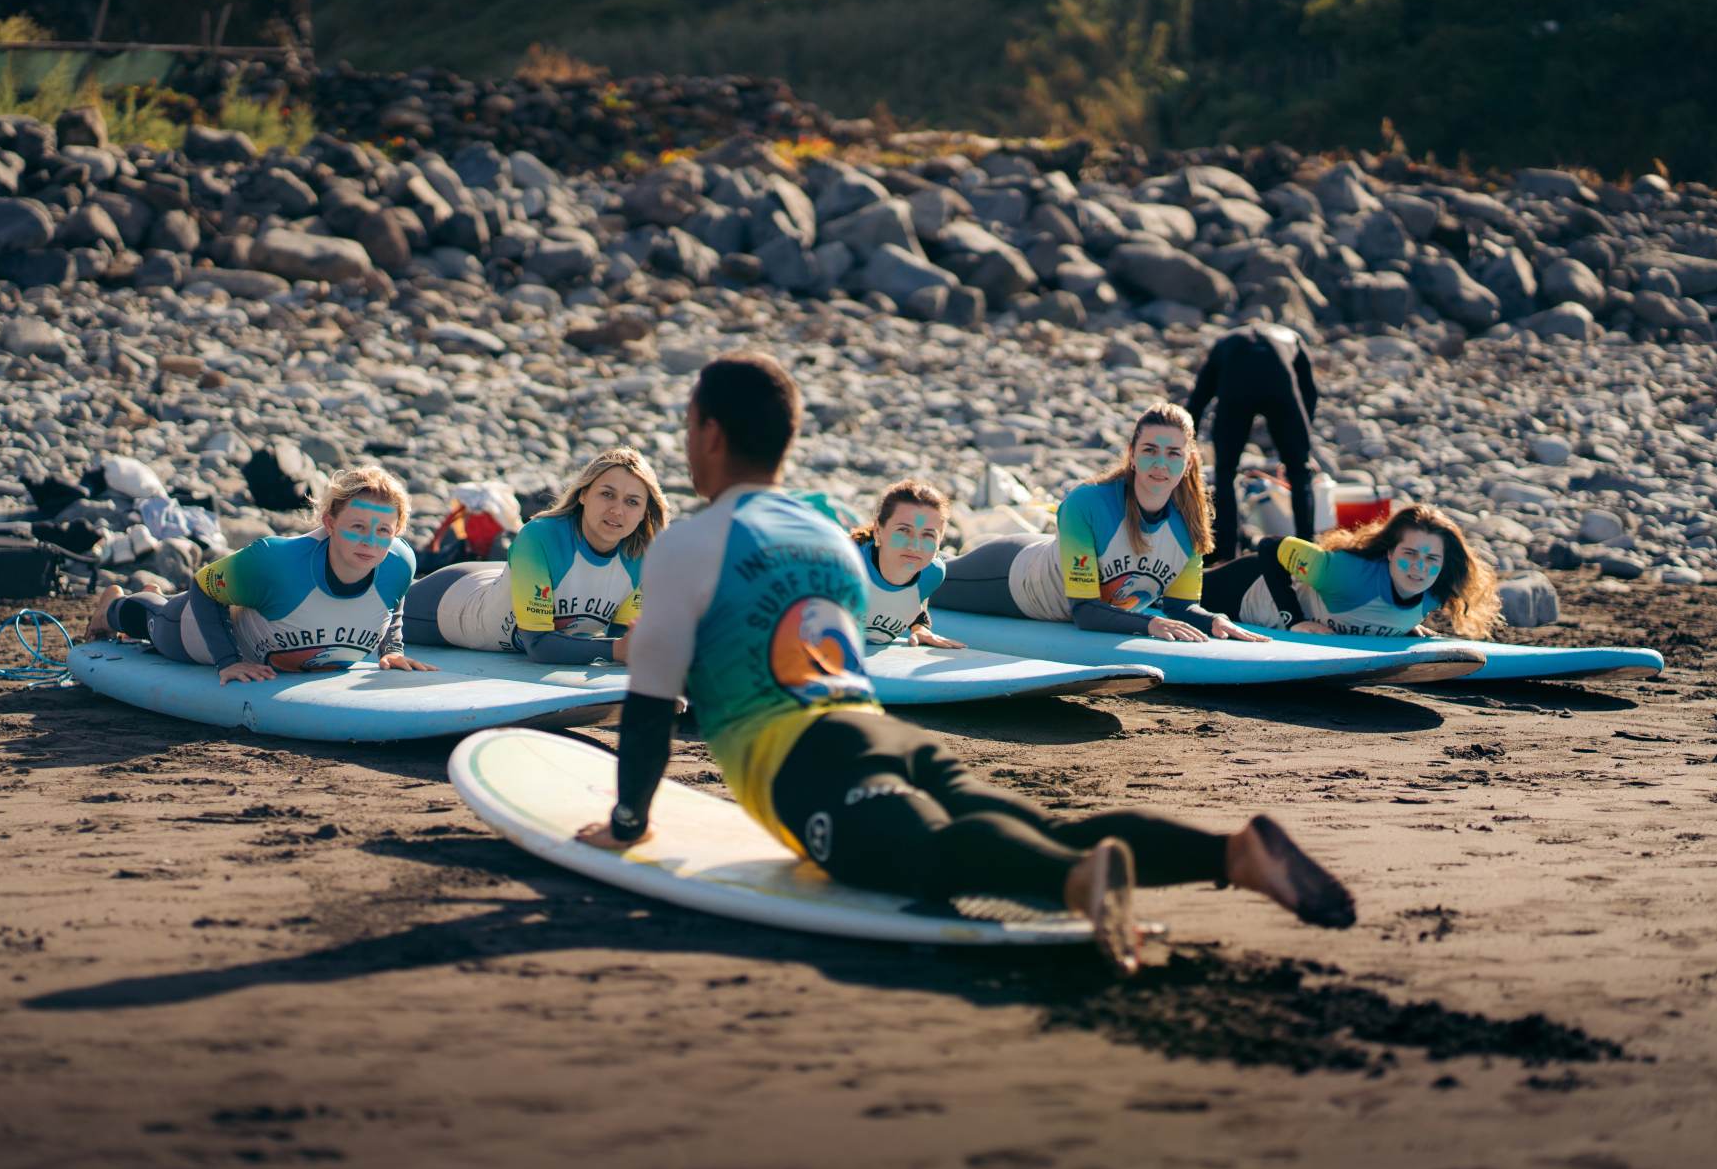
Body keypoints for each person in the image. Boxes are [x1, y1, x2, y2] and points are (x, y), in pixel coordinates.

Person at [577, 353, 1356, 975]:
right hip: (883, 735)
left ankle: (1076, 884)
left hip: (804, 765)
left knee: (922, 855)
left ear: (709, 434)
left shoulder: (689, 543)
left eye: (689, 427)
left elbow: (650, 704)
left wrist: (627, 823)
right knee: (1034, 827)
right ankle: (1229, 853)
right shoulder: (828, 542)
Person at [933, 402, 1268, 644]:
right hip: (1012, 580)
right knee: (926, 578)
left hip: (1043, 571)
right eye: (1150, 450)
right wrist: (1149, 624)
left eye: (1173, 454)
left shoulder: (1191, 520)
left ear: (1189, 461)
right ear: (1132, 454)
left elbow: (1180, 606)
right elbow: (1085, 611)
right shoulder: (1089, 503)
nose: (1160, 464)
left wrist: (1215, 621)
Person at [84, 465, 429, 681]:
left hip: (275, 637)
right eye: (357, 526)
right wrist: (228, 661)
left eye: (383, 530)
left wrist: (391, 648)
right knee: (157, 624)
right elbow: (203, 585)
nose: (370, 541)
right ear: (330, 523)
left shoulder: (399, 562)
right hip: (207, 633)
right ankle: (114, 607)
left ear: (397, 532)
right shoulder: (276, 562)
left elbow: (393, 597)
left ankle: (152, 597)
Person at [403, 447, 666, 665]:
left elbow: (624, 641)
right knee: (383, 618)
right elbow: (539, 645)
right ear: (584, 494)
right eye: (607, 494)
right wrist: (617, 650)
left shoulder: (644, 559)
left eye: (632, 501)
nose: (617, 510)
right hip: (450, 606)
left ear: (645, 511)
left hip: (501, 580)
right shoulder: (540, 536)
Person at [1202, 503, 1501, 638]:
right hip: (1239, 590)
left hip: (1250, 617)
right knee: (1177, 598)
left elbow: (1384, 609)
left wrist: (1401, 626)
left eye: (1432, 558)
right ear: (1389, 553)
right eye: (1409, 554)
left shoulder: (1436, 590)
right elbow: (1270, 546)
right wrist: (1294, 620)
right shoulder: (1347, 574)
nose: (1419, 568)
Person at [1185, 324, 1320, 562]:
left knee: (1225, 472)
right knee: (1299, 472)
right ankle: (1308, 551)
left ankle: (1228, 553)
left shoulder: (1224, 343)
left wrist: (1184, 442)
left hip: (1236, 386)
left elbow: (1199, 399)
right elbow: (1309, 392)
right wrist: (1301, 445)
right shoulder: (1292, 338)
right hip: (1279, 383)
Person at [847, 479, 964, 648]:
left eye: (928, 535)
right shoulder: (844, 565)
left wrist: (920, 627)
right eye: (903, 530)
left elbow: (911, 599)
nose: (915, 546)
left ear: (939, 542)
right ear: (878, 531)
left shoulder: (932, 572)